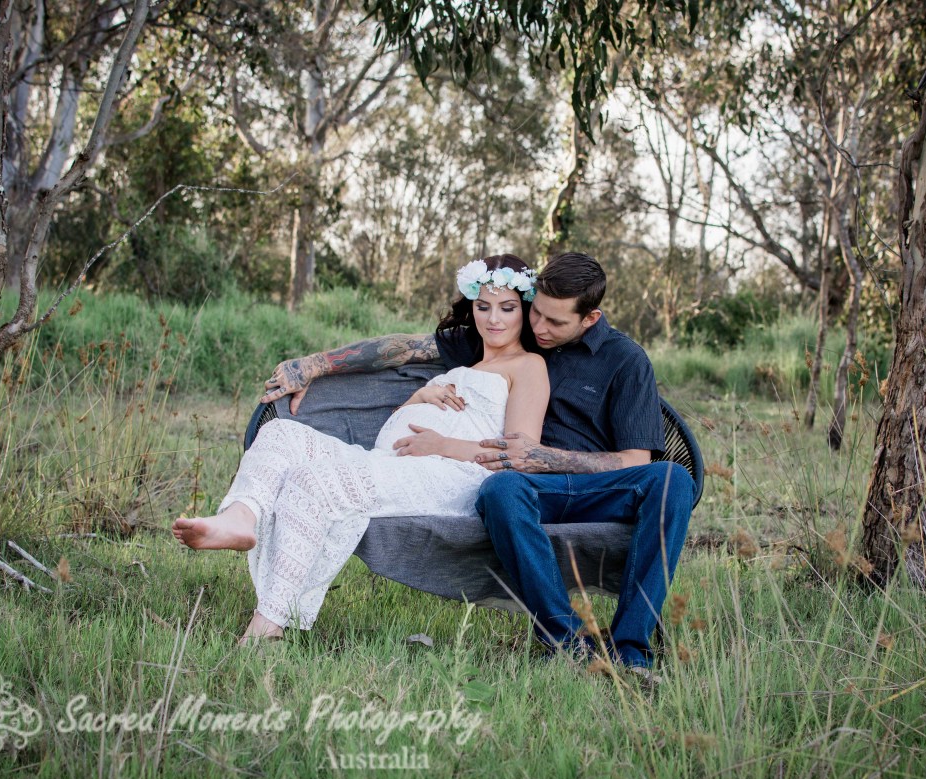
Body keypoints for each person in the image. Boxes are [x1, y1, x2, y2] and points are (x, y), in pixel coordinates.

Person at [264, 252, 695, 670]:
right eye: (536, 312)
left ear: (590, 318)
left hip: (593, 491)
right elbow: (404, 348)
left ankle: (631, 650)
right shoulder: (510, 332)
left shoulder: (626, 361)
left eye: (555, 322)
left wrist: (543, 457)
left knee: (672, 480)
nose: (540, 327)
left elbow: (634, 461)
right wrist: (314, 365)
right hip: (525, 487)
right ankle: (565, 642)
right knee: (500, 489)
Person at [173, 255, 548, 644]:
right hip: (392, 460)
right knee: (282, 433)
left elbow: (520, 455)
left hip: (456, 475)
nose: (493, 319)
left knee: (315, 481)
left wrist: (442, 443)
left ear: (524, 310)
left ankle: (267, 627)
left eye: (507, 308)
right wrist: (418, 397)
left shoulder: (528, 365)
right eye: (483, 307)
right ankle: (240, 516)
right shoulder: (463, 361)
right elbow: (396, 419)